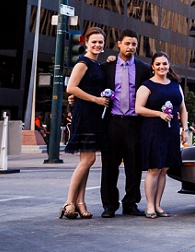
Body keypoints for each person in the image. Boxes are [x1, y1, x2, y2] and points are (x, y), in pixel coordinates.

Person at [99, 31, 152, 218]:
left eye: (134, 44)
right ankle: (109, 205)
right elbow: (94, 88)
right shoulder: (106, 67)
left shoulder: (144, 69)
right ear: (119, 44)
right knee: (109, 166)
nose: (131, 47)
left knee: (134, 166)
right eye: (127, 43)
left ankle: (130, 204)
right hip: (112, 122)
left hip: (134, 123)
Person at [59, 27, 109, 219]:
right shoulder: (83, 62)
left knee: (86, 161)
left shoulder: (97, 64)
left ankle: (80, 202)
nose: (97, 45)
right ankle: (69, 201)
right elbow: (71, 87)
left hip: (95, 115)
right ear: (86, 43)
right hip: (86, 113)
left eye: (100, 42)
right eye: (94, 41)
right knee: (89, 160)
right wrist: (95, 99)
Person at [135, 52, 187, 218]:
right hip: (153, 131)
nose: (161, 67)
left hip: (171, 131)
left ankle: (158, 205)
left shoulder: (176, 85)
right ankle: (150, 206)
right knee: (154, 168)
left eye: (164, 64)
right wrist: (159, 114)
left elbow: (183, 109)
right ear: (153, 67)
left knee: (164, 168)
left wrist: (184, 129)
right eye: (158, 64)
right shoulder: (146, 86)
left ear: (168, 65)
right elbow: (139, 109)